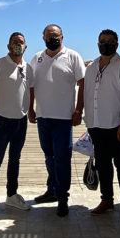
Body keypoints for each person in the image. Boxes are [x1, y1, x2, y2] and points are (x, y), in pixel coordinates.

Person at [28, 24, 85, 217]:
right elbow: (32, 86)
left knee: (62, 159)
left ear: (62, 37)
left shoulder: (73, 56)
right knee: (49, 156)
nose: (53, 39)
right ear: (43, 37)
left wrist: (78, 110)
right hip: (43, 117)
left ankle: (63, 198)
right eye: (49, 36)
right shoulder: (37, 58)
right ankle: (52, 190)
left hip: (63, 118)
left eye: (56, 36)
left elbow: (82, 83)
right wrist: (30, 109)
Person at [84, 29, 120, 226]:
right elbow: (88, 95)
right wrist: (88, 122)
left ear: (116, 43)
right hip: (97, 126)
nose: (105, 44)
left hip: (118, 127)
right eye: (102, 41)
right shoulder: (91, 68)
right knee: (103, 166)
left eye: (110, 41)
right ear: (97, 43)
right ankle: (106, 200)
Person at [0, 32, 32, 218]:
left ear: (26, 46)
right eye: (15, 42)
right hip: (2, 120)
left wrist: (30, 110)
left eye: (21, 43)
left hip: (21, 120)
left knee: (15, 159)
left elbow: (30, 90)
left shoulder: (28, 67)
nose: (18, 45)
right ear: (8, 46)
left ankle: (11, 194)